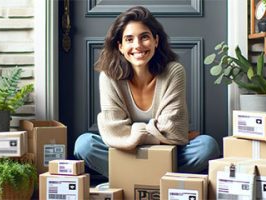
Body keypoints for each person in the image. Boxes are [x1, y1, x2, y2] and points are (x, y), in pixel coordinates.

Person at [74, 6, 220, 178]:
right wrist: (159, 132)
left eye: (144, 37)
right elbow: (114, 130)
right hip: (124, 152)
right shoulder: (109, 76)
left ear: (156, 41)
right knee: (84, 144)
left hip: (167, 152)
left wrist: (131, 134)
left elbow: (172, 131)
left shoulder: (174, 71)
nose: (137, 45)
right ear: (120, 46)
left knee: (208, 146)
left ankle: (133, 178)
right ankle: (158, 179)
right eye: (129, 39)